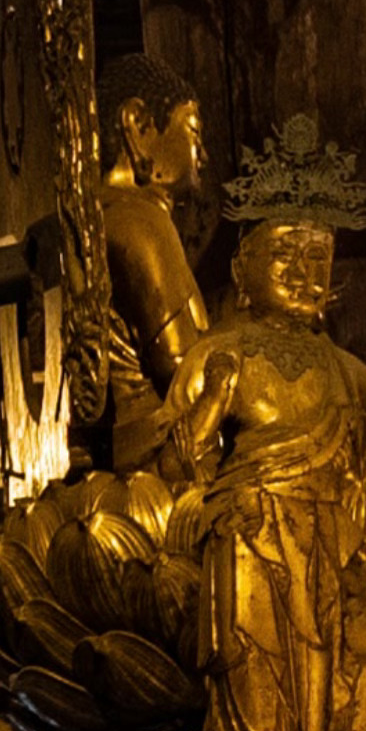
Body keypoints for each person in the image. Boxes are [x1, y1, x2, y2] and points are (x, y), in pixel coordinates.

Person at [155, 176, 366, 731]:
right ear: (244, 271)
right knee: (258, 694)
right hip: (253, 537)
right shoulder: (221, 354)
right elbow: (176, 469)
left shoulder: (352, 375)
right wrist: (212, 404)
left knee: (361, 682)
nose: (303, 272)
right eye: (285, 255)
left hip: (335, 544)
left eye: (318, 258)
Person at [93, 51, 209, 472]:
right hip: (154, 449)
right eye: (193, 131)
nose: (203, 155)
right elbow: (182, 367)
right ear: (138, 125)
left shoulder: (107, 215)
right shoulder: (139, 222)